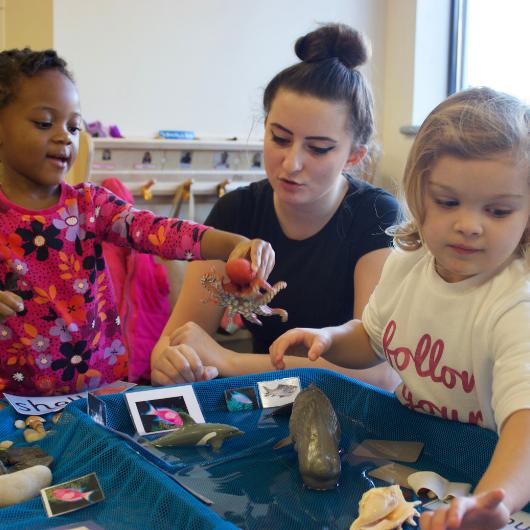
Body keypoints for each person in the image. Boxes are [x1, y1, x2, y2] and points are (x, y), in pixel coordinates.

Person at [270, 86, 530, 530]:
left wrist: (492, 503)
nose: (469, 225)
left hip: (499, 478)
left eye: (499, 211)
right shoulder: (407, 265)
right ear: (418, 192)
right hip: (422, 456)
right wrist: (330, 339)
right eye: (448, 202)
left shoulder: (515, 303)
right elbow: (373, 341)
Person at [0, 48, 273, 397]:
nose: (63, 137)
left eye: (73, 127)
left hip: (101, 393)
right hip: (15, 407)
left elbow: (158, 231)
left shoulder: (89, 205)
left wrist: (232, 243)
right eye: (44, 123)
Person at [150, 23, 401, 391]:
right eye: (279, 139)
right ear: (264, 126)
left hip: (346, 411)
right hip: (266, 402)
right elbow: (172, 343)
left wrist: (230, 361)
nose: (291, 163)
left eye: (318, 149)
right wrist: (171, 362)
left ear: (354, 155)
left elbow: (379, 375)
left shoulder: (376, 215)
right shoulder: (235, 212)